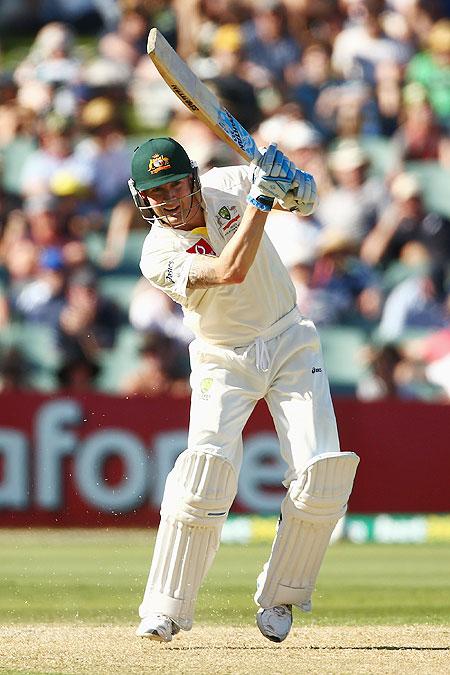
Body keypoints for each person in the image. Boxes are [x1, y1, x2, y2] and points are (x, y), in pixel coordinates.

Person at [129, 136, 359, 643]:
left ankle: (281, 597)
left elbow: (310, 200)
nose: (167, 200)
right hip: (222, 356)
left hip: (289, 340)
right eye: (155, 192)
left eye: (173, 186)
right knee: (203, 473)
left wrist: (289, 183)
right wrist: (261, 200)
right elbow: (230, 272)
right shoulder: (157, 253)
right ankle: (165, 608)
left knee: (323, 474)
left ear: (192, 177)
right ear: (140, 197)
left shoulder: (230, 182)